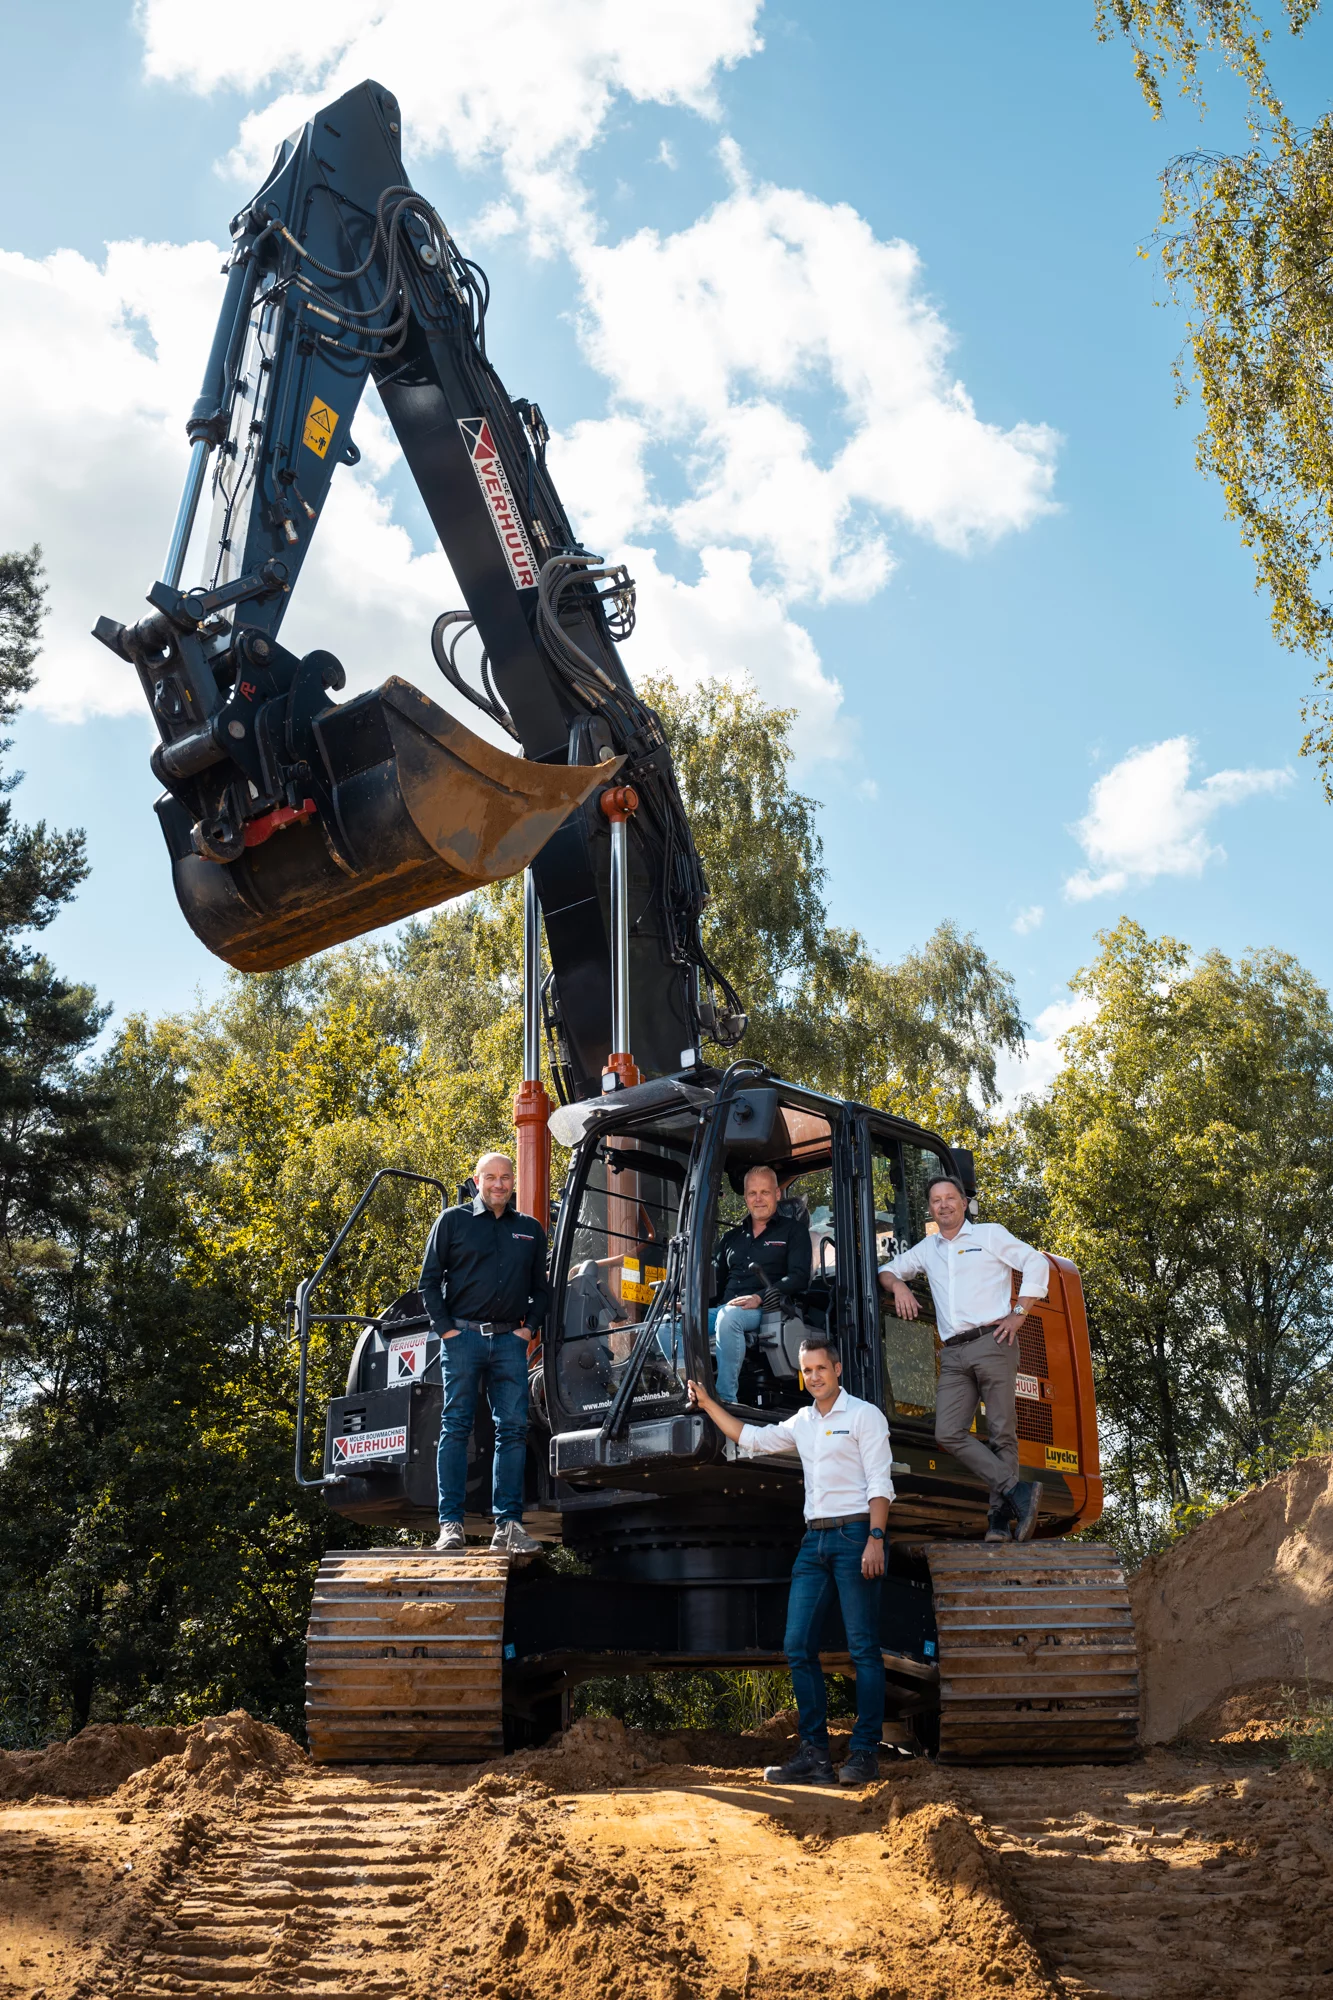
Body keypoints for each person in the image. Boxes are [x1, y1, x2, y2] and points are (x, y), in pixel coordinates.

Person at [689, 1335, 893, 1788]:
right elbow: (752, 1438)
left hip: (856, 1534)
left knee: (863, 1650)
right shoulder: (802, 1421)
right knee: (798, 1645)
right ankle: (815, 1755)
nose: (813, 1377)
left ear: (837, 1369)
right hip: (814, 1542)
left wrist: (876, 1539)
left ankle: (863, 1754)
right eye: (807, 1371)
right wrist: (708, 1404)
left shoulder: (864, 1416)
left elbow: (880, 1482)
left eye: (820, 1368)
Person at [879, 1174, 1046, 1544]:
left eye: (950, 1198)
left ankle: (999, 1520)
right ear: (930, 1208)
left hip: (994, 1340)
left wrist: (1019, 1312)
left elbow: (1036, 1263)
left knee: (1002, 1433)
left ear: (964, 1202)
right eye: (936, 1200)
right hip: (953, 1352)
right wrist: (900, 1284)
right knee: (948, 1431)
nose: (944, 1205)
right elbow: (886, 1270)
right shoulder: (928, 1248)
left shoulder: (989, 1234)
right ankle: (1016, 1492)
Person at [419, 1151, 548, 1557]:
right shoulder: (452, 1222)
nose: (498, 1184)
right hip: (464, 1339)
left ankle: (507, 1526)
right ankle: (450, 1526)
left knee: (511, 1430)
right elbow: (428, 1283)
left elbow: (541, 1288)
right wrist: (449, 1332)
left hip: (510, 1343)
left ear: (513, 1183)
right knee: (455, 1426)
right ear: (477, 1181)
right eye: (490, 1177)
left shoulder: (529, 1229)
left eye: (505, 1177)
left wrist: (527, 1330)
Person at [658, 1164, 812, 1402]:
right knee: (666, 1325)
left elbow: (799, 1276)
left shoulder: (794, 1231)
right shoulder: (732, 1238)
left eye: (765, 1192)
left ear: (777, 1194)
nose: (758, 1199)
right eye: (752, 1193)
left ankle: (725, 1400)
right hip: (725, 1308)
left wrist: (760, 1296)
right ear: (746, 1197)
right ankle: (694, 1389)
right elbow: (713, 1282)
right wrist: (687, 1302)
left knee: (728, 1318)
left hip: (769, 1309)